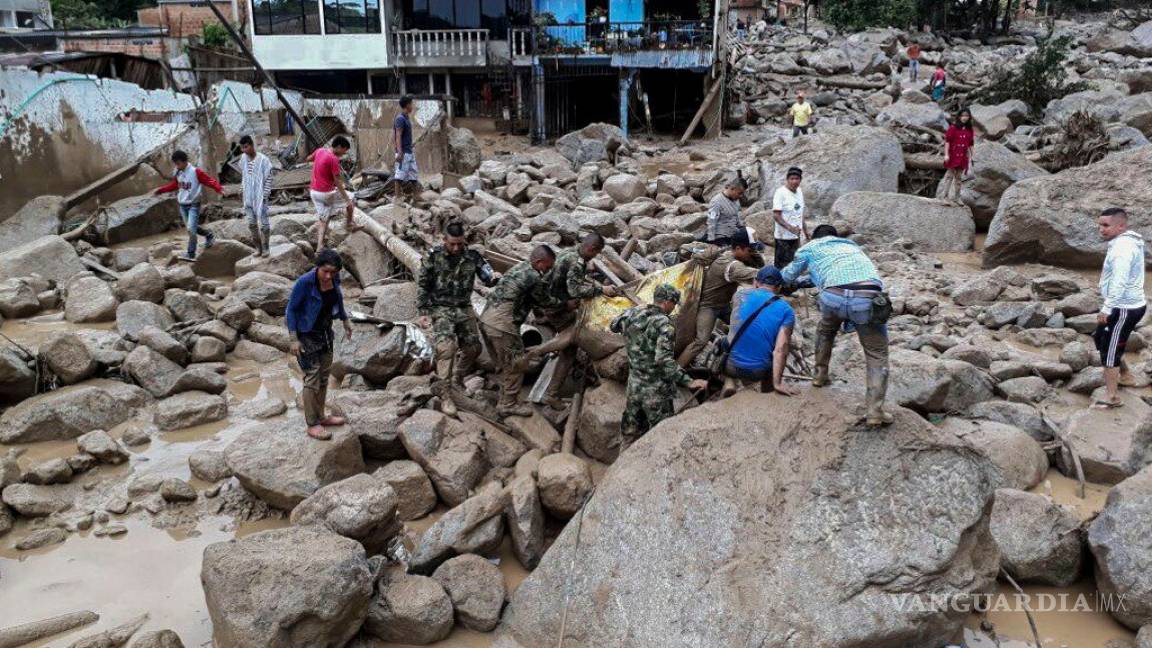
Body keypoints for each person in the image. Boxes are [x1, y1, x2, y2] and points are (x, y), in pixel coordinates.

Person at [781, 224, 892, 427]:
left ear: (814, 238)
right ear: (835, 236)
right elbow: (844, 275)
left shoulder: (811, 247)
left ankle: (819, 375)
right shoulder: (851, 246)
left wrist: (781, 280)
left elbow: (787, 276)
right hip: (868, 298)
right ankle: (875, 412)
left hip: (833, 297)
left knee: (825, 330)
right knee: (877, 354)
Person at [528, 233, 618, 408]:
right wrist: (602, 290)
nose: (595, 257)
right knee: (570, 344)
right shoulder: (576, 262)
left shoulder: (568, 253)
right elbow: (575, 290)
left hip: (550, 302)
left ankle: (540, 358)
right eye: (596, 253)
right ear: (591, 249)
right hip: (559, 308)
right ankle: (540, 364)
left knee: (570, 343)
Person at [417, 222, 498, 415]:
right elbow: (423, 284)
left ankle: (457, 377)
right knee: (446, 348)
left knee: (473, 348)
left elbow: (488, 277)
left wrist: (495, 277)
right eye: (452, 244)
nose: (456, 248)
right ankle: (445, 394)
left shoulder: (472, 256)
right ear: (444, 240)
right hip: (441, 307)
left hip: (463, 307)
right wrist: (423, 312)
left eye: (459, 244)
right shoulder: (434, 256)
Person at [611, 284, 708, 439]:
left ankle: (624, 462)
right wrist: (689, 381)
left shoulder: (633, 312)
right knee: (661, 437)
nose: (674, 308)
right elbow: (663, 360)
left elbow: (613, 325)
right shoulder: (664, 325)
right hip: (655, 391)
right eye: (674, 304)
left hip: (634, 386)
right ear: (667, 302)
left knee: (630, 434)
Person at [479, 246, 556, 418]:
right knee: (517, 364)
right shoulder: (534, 276)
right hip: (502, 325)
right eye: (548, 267)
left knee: (502, 362)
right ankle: (508, 404)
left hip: (486, 319)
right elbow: (546, 300)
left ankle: (502, 392)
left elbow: (528, 298)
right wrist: (566, 304)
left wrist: (539, 316)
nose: (548, 271)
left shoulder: (519, 267)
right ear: (539, 262)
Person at [287, 249, 353, 440]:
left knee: (324, 376)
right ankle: (312, 424)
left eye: (333, 272)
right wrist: (293, 339)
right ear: (318, 267)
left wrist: (345, 320)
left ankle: (322, 416)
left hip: (325, 332)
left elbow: (338, 298)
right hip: (305, 334)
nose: (328, 276)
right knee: (312, 377)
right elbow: (291, 310)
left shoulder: (334, 279)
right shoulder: (305, 283)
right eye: (325, 271)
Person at [677, 229, 760, 368]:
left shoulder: (731, 254)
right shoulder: (730, 265)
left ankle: (735, 359)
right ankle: (676, 370)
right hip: (708, 306)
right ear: (738, 248)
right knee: (701, 341)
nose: (751, 253)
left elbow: (757, 260)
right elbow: (752, 274)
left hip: (723, 304)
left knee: (746, 326)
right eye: (749, 250)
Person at [1093, 208, 1146, 409]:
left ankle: (1112, 397)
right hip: (1123, 304)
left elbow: (1120, 282)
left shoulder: (1122, 249)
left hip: (1123, 307)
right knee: (1100, 338)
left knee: (1109, 351)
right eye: (1100, 224)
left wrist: (1106, 308)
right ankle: (1125, 375)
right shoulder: (1124, 242)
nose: (1101, 229)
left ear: (1121, 226)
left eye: (1106, 225)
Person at [724, 266, 797, 395]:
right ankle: (767, 391)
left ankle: (729, 381)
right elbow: (780, 349)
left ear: (756, 282)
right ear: (779, 287)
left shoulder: (739, 295)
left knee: (723, 342)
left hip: (731, 366)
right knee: (776, 345)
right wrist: (778, 383)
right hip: (758, 371)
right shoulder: (787, 310)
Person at [154, 150, 222, 261]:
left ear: (185, 161)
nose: (177, 166)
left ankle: (191, 254)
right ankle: (209, 234)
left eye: (178, 163)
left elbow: (208, 181)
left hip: (194, 204)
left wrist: (218, 188)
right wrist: (161, 190)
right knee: (191, 228)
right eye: (175, 164)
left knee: (191, 229)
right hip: (182, 205)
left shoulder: (195, 172)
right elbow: (175, 185)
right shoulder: (178, 172)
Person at [309, 135, 356, 252]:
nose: (343, 154)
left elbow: (308, 158)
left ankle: (320, 246)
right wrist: (347, 199)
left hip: (313, 192)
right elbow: (338, 181)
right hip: (325, 194)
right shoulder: (333, 159)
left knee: (324, 219)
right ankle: (349, 224)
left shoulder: (320, 150)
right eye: (344, 151)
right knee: (352, 198)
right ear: (339, 147)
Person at [239, 135, 274, 257]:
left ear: (251, 145)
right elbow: (244, 175)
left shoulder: (264, 160)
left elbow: (269, 177)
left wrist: (265, 194)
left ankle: (266, 248)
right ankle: (258, 248)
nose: (244, 150)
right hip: (248, 196)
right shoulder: (243, 159)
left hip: (260, 196)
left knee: (264, 224)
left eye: (246, 147)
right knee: (251, 224)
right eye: (242, 148)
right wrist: (242, 188)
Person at [772, 167, 806, 269]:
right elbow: (776, 215)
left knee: (794, 262)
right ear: (787, 179)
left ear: (800, 180)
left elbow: (800, 211)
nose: (794, 181)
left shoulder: (799, 192)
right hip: (783, 237)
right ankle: (780, 284)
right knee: (782, 266)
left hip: (796, 236)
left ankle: (792, 284)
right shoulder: (780, 193)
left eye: (797, 179)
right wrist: (790, 228)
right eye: (792, 179)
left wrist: (806, 230)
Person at [940, 108, 974, 204]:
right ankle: (944, 197)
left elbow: (971, 144)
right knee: (949, 176)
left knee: (959, 178)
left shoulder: (969, 130)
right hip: (953, 154)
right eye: (963, 115)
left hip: (963, 156)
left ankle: (957, 198)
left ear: (969, 117)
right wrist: (946, 154)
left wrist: (972, 156)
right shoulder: (953, 128)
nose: (964, 118)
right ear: (959, 116)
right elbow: (947, 141)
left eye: (966, 116)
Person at [703, 176, 746, 246]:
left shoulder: (736, 200)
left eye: (742, 194)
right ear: (732, 189)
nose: (741, 196)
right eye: (739, 193)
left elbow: (737, 217)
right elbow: (711, 221)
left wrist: (743, 229)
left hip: (733, 232)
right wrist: (711, 241)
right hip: (720, 236)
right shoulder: (716, 201)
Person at [393, 95, 420, 204]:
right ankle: (397, 197)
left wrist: (410, 144)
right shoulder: (400, 119)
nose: (412, 106)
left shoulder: (406, 118)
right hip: (403, 152)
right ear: (407, 105)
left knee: (413, 173)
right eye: (411, 104)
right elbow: (398, 135)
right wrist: (399, 152)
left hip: (409, 151)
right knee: (400, 175)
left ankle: (416, 195)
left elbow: (404, 136)